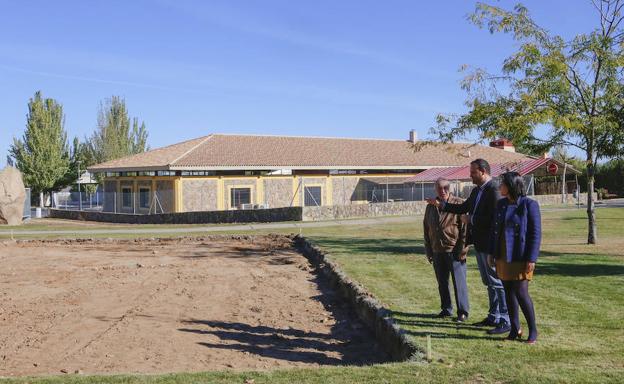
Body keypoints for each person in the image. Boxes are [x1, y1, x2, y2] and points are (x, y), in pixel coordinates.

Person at [426, 158, 510, 335]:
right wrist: (442, 205)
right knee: (489, 283)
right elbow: (463, 207)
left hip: (490, 245)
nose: (470, 175)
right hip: (479, 244)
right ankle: (493, 316)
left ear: (483, 171)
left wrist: (472, 219)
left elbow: (496, 219)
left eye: (472, 172)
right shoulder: (476, 191)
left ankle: (505, 319)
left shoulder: (493, 190)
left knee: (496, 282)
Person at [488, 171, 541, 344]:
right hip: (503, 255)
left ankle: (533, 330)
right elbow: (494, 231)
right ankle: (514, 328)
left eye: (502, 183)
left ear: (511, 186)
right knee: (508, 292)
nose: (499, 186)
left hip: (520, 256)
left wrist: (531, 259)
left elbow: (535, 234)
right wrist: (492, 253)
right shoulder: (501, 204)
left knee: (521, 292)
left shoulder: (529, 205)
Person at [423, 178, 470, 322]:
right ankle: (446, 309)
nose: (442, 191)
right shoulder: (431, 206)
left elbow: (465, 230)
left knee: (459, 283)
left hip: (454, 250)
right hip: (437, 250)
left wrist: (462, 250)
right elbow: (426, 228)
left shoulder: (458, 203)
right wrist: (429, 251)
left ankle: (462, 312)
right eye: (439, 188)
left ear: (450, 188)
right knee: (442, 282)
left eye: (445, 188)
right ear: (435, 190)